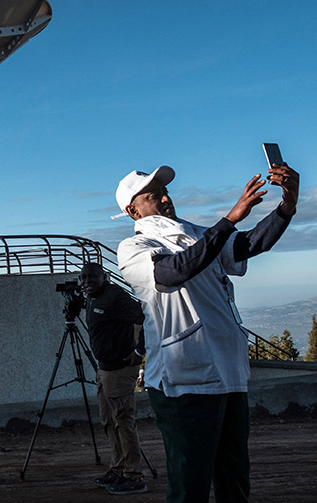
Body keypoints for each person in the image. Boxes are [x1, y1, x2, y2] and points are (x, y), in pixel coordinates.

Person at [116, 163, 299, 503]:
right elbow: (174, 272)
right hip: (184, 384)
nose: (167, 199)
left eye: (167, 192)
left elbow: (249, 244)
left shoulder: (198, 233)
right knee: (190, 486)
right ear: (132, 210)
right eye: (155, 196)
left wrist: (287, 206)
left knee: (234, 479)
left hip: (228, 375)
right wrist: (228, 221)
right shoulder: (133, 248)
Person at [80, 262, 147, 495]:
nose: (86, 281)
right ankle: (118, 469)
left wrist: (140, 351)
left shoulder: (115, 296)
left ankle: (134, 475)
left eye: (92, 276)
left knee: (124, 423)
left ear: (104, 276)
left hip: (120, 369)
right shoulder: (94, 298)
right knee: (109, 422)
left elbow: (146, 317)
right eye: (83, 277)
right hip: (104, 369)